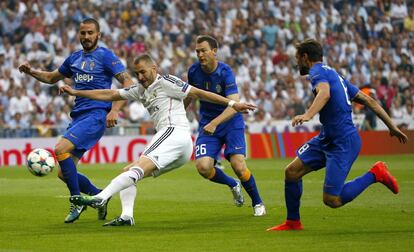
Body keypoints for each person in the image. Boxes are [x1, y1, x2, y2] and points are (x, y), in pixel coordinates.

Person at [61, 53, 256, 226]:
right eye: (137, 73)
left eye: (143, 72)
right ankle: (127, 216)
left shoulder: (167, 82)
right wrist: (77, 92)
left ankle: (100, 197)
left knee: (135, 168)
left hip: (174, 132)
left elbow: (198, 93)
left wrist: (232, 103)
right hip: (178, 146)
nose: (140, 77)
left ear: (154, 69)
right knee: (130, 172)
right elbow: (110, 93)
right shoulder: (140, 89)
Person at [267, 39, 408, 231]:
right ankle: (293, 222)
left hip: (343, 141)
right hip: (327, 137)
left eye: (297, 58)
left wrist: (308, 114)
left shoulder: (317, 72)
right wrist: (391, 126)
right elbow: (369, 100)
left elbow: (324, 94)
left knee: (332, 200)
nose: (296, 63)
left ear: (305, 57)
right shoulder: (335, 75)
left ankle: (376, 174)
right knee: (291, 172)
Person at [18, 18, 134, 223]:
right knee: (64, 173)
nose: (86, 37)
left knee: (60, 148)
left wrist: (115, 110)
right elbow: (52, 77)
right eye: (83, 33)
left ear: (99, 35)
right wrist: (32, 72)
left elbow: (128, 81)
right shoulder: (74, 58)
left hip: (96, 114)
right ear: (78, 35)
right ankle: (100, 196)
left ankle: (77, 200)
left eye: (90, 33)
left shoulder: (106, 56)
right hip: (79, 116)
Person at [186, 35, 266, 216]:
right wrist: (179, 115)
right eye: (197, 51)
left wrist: (215, 122)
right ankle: (232, 184)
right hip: (208, 124)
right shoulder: (193, 71)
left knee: (238, 165)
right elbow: (190, 95)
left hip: (231, 122)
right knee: (203, 167)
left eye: (203, 50)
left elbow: (234, 105)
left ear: (214, 51)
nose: (199, 55)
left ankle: (258, 202)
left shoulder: (225, 72)